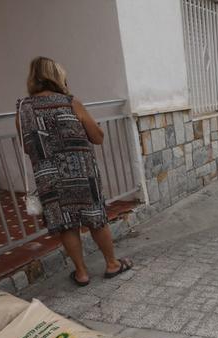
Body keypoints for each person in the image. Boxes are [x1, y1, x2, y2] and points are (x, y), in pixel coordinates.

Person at [16, 56, 132, 286]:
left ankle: (81, 273)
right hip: (81, 172)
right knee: (95, 218)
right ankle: (112, 264)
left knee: (66, 223)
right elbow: (98, 137)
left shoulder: (22, 108)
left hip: (48, 176)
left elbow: (26, 145)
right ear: (57, 77)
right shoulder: (70, 102)